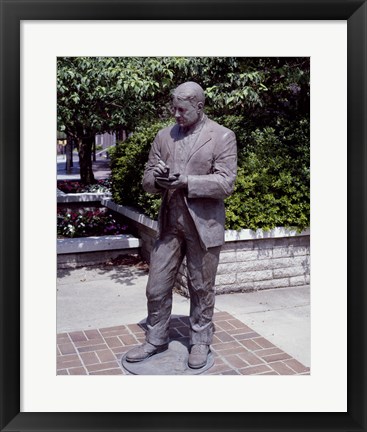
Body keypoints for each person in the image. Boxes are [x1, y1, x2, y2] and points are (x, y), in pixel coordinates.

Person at [125, 81, 237, 369]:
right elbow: (148, 180)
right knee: (156, 287)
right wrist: (157, 180)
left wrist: (188, 182)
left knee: (201, 287)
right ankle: (156, 338)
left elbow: (226, 183)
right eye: (173, 108)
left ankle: (200, 342)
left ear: (199, 107)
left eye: (182, 109)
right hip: (170, 226)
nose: (175, 114)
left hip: (203, 226)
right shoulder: (164, 137)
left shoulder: (222, 136)